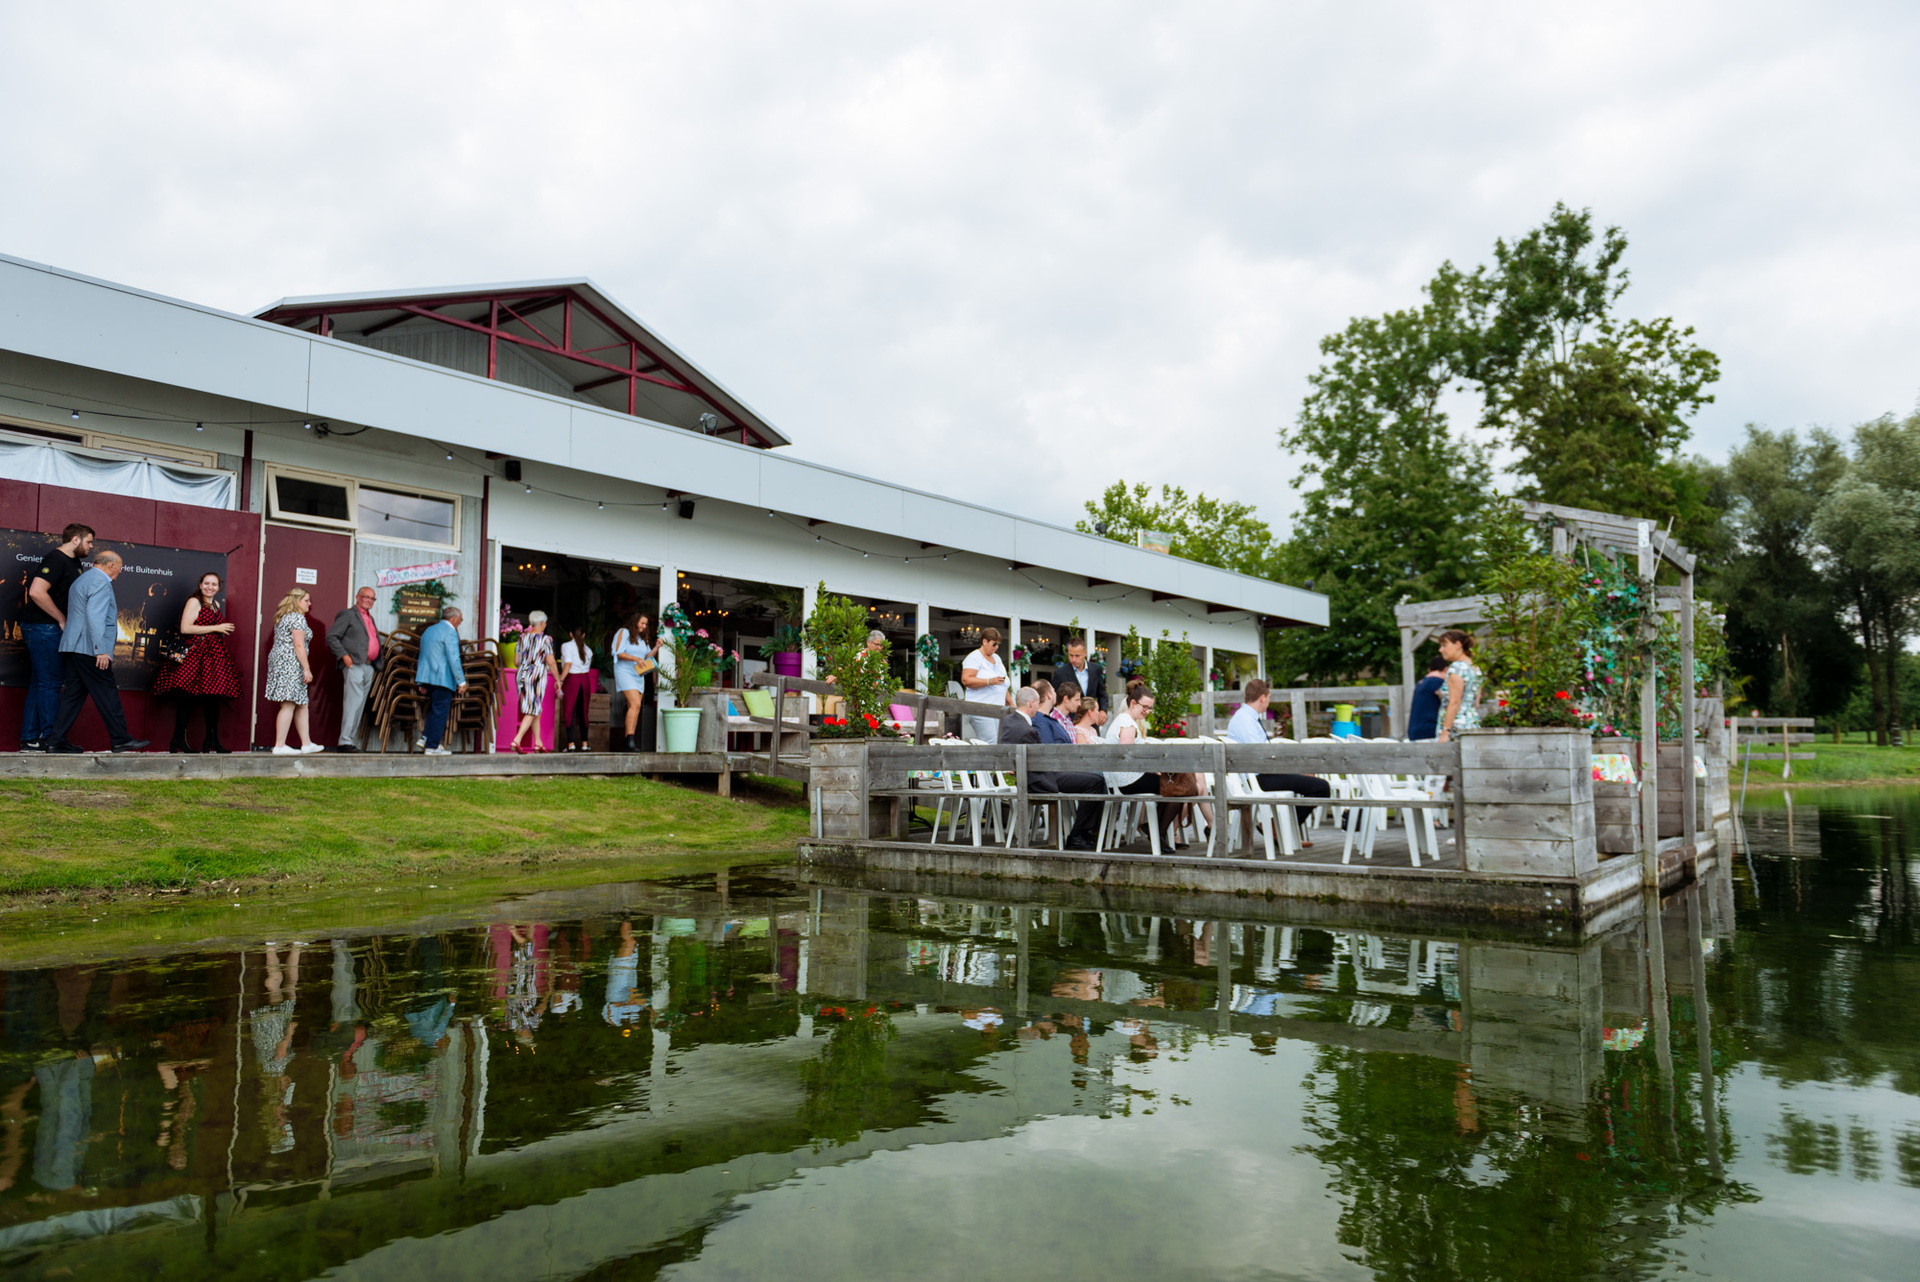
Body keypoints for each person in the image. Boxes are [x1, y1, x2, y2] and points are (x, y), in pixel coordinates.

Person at [46, 549, 148, 753]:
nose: (120, 573)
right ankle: (120, 739)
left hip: (75, 646)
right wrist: (100, 650)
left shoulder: (83, 580)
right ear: (111, 566)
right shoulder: (101, 582)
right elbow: (95, 617)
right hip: (89, 649)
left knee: (73, 695)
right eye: (119, 569)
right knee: (107, 693)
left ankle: (55, 741)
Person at [1226, 678, 1331, 846]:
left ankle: (1282, 829)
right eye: (1269, 697)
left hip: (1259, 774)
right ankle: (1281, 829)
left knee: (1311, 780)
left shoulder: (1246, 717)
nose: (1268, 701)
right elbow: (1260, 757)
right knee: (1321, 787)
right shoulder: (1245, 721)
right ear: (1262, 697)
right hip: (1256, 778)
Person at [17, 522, 93, 752]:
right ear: (75, 540)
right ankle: (52, 739)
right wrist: (61, 619)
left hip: (47, 629)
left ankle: (31, 739)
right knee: (50, 683)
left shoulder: (74, 563)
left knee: (40, 683)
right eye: (89, 541)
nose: (91, 546)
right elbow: (36, 592)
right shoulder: (56, 559)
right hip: (43, 628)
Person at [998, 685, 1104, 850]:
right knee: (1095, 782)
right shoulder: (1027, 729)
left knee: (1094, 779)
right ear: (1032, 703)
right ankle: (1078, 834)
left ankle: (1085, 833)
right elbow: (1044, 760)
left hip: (1030, 776)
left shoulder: (1009, 722)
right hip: (1040, 780)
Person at [152, 570, 242, 753]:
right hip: (196, 656)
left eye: (214, 584)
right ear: (200, 585)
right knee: (188, 698)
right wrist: (217, 627)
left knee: (213, 698)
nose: (210, 587)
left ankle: (212, 741)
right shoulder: (194, 601)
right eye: (207, 583)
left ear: (219, 587)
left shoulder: (215, 604)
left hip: (213, 656)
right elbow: (185, 628)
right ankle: (177, 740)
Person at [1102, 681, 1165, 845]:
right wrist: (1152, 769)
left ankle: (1158, 830)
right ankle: (1158, 831)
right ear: (1132, 703)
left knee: (1173, 782)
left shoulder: (1123, 719)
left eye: (1150, 708)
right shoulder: (1128, 724)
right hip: (1126, 780)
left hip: (1123, 779)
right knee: (1174, 786)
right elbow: (1126, 759)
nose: (1147, 711)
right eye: (1144, 707)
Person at [265, 587, 324, 755]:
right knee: (289, 704)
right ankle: (280, 745)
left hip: (284, 662)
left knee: (301, 703)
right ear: (297, 601)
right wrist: (307, 668)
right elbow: (298, 645)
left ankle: (306, 743)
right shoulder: (297, 618)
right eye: (306, 600)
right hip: (290, 664)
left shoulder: (285, 617)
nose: (309, 604)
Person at [325, 586, 384, 753]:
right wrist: (344, 655)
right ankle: (344, 741)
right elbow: (332, 636)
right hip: (354, 665)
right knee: (353, 702)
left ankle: (349, 740)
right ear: (357, 597)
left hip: (368, 666)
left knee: (359, 704)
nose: (369, 600)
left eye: (372, 598)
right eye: (365, 597)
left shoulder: (369, 618)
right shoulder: (348, 614)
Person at [416, 605, 468, 756]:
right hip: (442, 678)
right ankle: (432, 747)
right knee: (440, 711)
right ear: (453, 619)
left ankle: (425, 738)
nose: (460, 623)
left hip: (428, 677)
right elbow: (454, 658)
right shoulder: (450, 632)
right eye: (460, 620)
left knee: (434, 709)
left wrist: (421, 682)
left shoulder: (429, 631)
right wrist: (461, 681)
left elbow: (423, 656)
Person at [508, 610, 562, 753]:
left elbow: (516, 661)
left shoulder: (522, 638)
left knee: (535, 708)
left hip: (522, 674)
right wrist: (558, 679)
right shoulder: (545, 640)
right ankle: (516, 740)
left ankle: (538, 743)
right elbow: (551, 661)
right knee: (533, 709)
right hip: (536, 674)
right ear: (542, 623)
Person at [610, 611, 655, 753]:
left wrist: (657, 647)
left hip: (638, 674)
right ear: (635, 622)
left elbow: (646, 656)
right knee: (635, 704)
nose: (644, 626)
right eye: (642, 623)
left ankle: (629, 741)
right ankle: (629, 740)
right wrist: (636, 659)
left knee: (634, 707)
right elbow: (618, 652)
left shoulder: (642, 638)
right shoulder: (623, 632)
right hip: (624, 671)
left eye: (646, 624)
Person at [960, 627, 1010, 742]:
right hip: (981, 707)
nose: (996, 647)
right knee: (990, 741)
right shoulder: (974, 657)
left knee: (1000, 741)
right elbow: (966, 680)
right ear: (984, 641)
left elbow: (1002, 684)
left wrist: (1011, 703)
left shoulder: (997, 658)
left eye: (998, 645)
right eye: (994, 644)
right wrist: (989, 681)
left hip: (998, 708)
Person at [1435, 630, 1485, 743]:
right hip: (1472, 723)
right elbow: (1477, 701)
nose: (1441, 650)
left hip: (1456, 727)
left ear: (1458, 644)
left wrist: (1445, 732)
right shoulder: (1475, 667)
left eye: (1444, 645)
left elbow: (1454, 702)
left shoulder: (1456, 668)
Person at [559, 625, 594, 752]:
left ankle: (571, 744)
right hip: (585, 680)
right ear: (584, 635)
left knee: (569, 711)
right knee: (583, 712)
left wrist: (561, 680)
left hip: (571, 680)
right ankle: (585, 744)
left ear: (570, 634)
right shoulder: (588, 650)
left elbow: (568, 664)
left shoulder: (566, 646)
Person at [1055, 636, 1108, 711]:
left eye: (1077, 656)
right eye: (1071, 655)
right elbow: (1056, 699)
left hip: (1091, 718)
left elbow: (1102, 694)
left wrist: (1103, 710)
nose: (1073, 659)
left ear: (1085, 653)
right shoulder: (1060, 673)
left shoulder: (1096, 669)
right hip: (1070, 719)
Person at [1406, 654, 1449, 741]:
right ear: (1445, 669)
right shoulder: (1439, 682)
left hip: (1414, 731)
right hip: (1429, 732)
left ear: (1429, 669)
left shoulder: (1420, 683)